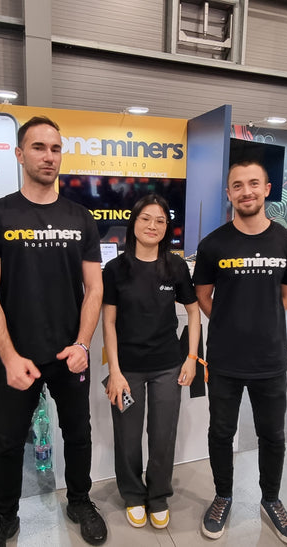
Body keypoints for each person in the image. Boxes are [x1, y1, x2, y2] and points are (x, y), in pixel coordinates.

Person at [0, 116, 106, 547]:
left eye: (55, 148)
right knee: (8, 442)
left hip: (70, 353)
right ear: (19, 153)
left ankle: (80, 500)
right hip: (17, 357)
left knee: (78, 433)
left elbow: (95, 287)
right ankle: (5, 516)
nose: (48, 156)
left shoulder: (81, 218)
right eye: (38, 147)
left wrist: (83, 344)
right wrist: (9, 357)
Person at [193, 160, 287, 545]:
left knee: (272, 434)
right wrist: (228, 321)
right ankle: (223, 495)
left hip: (271, 360)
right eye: (237, 185)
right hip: (224, 359)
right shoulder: (213, 245)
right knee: (221, 432)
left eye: (253, 184)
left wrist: (263, 321)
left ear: (267, 188)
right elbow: (203, 296)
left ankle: (271, 500)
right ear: (229, 193)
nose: (246, 192)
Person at [101, 194, 200, 530]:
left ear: (166, 227)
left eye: (160, 220)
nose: (153, 226)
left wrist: (191, 357)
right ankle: (132, 493)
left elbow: (193, 311)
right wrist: (114, 371)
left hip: (167, 366)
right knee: (127, 437)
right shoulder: (115, 269)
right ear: (134, 222)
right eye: (146, 218)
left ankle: (157, 496)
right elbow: (109, 323)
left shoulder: (174, 266)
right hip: (127, 368)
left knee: (162, 435)